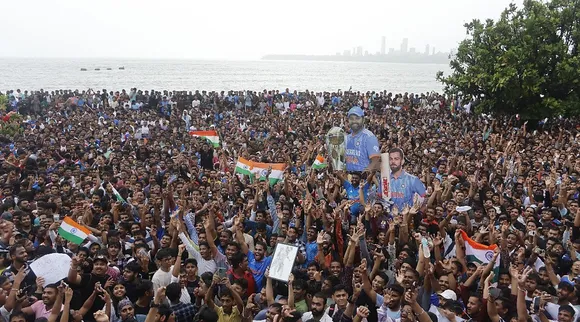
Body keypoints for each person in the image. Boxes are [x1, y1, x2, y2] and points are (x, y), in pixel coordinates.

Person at [344, 106, 380, 176]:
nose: (354, 121)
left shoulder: (369, 137)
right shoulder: (346, 138)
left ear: (363, 119)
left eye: (357, 118)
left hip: (363, 180)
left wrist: (366, 174)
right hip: (350, 179)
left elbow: (375, 160)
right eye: (351, 118)